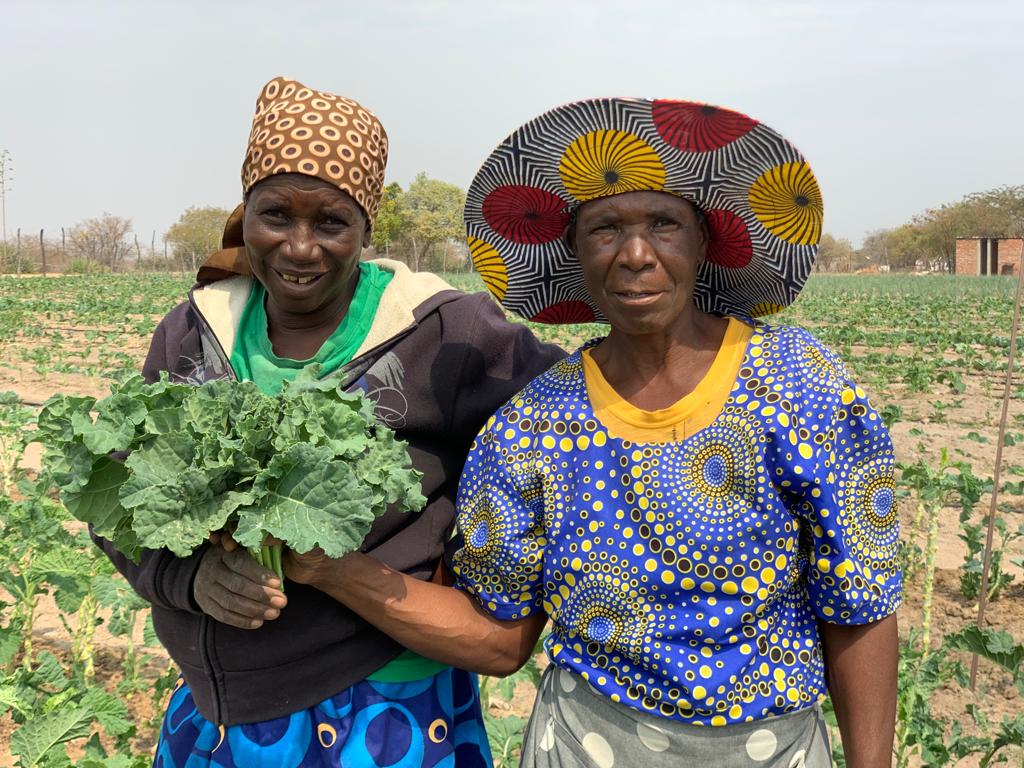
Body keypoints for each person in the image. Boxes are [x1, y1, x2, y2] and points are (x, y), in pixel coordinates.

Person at [286, 98, 902, 768]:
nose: (636, 255)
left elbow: (860, 604)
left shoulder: (801, 384)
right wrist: (333, 571)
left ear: (704, 242)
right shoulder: (530, 427)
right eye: (605, 230)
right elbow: (500, 635)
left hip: (771, 749)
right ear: (575, 253)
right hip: (582, 745)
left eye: (664, 224)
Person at [92, 76, 564, 768]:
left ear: (366, 228)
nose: (301, 247)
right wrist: (187, 580)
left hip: (385, 705)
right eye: (276, 214)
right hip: (223, 705)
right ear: (245, 212)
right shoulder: (194, 331)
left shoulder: (445, 328)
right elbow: (119, 496)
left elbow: (572, 417)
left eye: (331, 223)